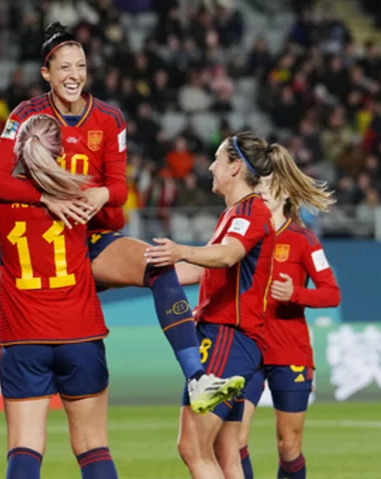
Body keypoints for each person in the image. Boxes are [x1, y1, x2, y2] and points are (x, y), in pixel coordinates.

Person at [0, 22, 235, 472]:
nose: (74, 74)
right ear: (46, 73)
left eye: (81, 66)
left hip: (88, 240)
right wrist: (49, 199)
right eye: (64, 66)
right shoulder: (27, 116)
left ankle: (197, 377)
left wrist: (101, 195)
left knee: (156, 265)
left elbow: (118, 198)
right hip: (43, 243)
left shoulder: (109, 119)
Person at [144, 132, 301, 479]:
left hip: (227, 337)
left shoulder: (250, 212)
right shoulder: (236, 215)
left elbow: (228, 254)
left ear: (234, 167)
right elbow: (204, 268)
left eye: (217, 159)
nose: (210, 166)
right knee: (226, 451)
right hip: (240, 342)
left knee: (193, 447)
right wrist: (143, 272)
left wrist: (181, 249)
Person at [0, 114, 119, 478]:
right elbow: (116, 220)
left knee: (25, 445)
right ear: (60, 151)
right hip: (80, 331)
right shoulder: (79, 194)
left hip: (24, 333)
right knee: (93, 445)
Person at [237, 173, 340, 479]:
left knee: (288, 444)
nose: (263, 192)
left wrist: (294, 293)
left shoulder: (303, 239)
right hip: (248, 347)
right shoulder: (243, 236)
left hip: (289, 351)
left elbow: (332, 293)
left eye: (270, 187)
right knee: (234, 440)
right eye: (258, 187)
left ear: (286, 195)